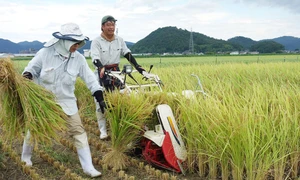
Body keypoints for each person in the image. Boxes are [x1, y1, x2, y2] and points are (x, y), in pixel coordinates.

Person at [21, 23, 106, 178]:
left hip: (67, 101)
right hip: (44, 101)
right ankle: (25, 158)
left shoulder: (78, 59)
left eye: (79, 43)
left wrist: (98, 94)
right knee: (34, 129)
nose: (78, 46)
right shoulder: (45, 53)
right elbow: (31, 69)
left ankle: (88, 167)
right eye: (75, 43)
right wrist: (27, 75)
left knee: (78, 131)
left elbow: (90, 78)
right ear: (65, 41)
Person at [90, 15, 149, 140]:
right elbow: (95, 58)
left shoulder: (119, 40)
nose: (111, 27)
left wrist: (138, 67)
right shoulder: (96, 41)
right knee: (100, 102)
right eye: (108, 25)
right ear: (102, 27)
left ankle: (126, 125)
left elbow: (127, 54)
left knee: (126, 96)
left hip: (116, 73)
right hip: (101, 73)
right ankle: (103, 130)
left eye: (113, 25)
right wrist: (101, 67)